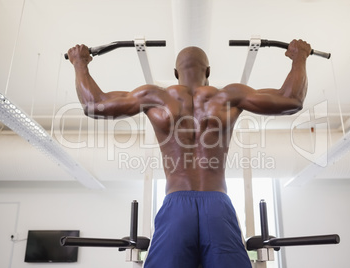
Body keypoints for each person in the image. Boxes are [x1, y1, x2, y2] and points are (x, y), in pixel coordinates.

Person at [67, 39, 311, 268]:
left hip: (176, 206)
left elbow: (93, 104)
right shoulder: (231, 96)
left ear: (175, 73)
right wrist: (299, 57)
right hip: (217, 204)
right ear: (208, 71)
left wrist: (80, 63)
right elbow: (291, 100)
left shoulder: (154, 97)